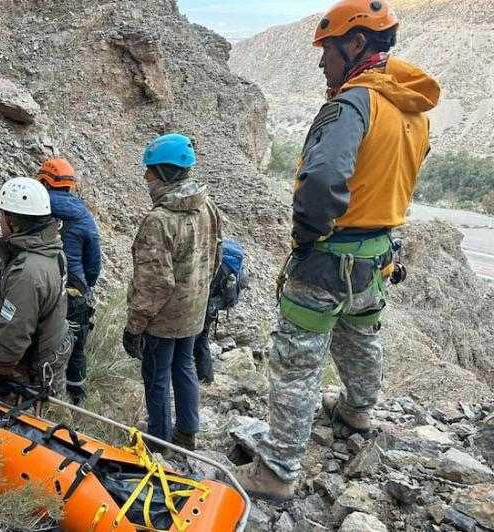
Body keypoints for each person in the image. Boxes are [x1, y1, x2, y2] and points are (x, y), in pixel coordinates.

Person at [234, 0, 440, 500]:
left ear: (355, 44)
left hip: (330, 255)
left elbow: (323, 179)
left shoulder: (352, 104)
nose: (321, 61)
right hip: (377, 254)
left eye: (327, 49)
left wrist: (307, 236)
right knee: (362, 334)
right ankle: (358, 409)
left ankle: (277, 470)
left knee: (298, 359)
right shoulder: (409, 109)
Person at [122, 134, 222, 450]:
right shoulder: (208, 207)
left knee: (156, 376)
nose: (145, 177)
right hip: (194, 312)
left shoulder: (159, 220)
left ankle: (159, 441)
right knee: (184, 365)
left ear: (164, 173)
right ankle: (187, 433)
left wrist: (134, 326)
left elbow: (154, 284)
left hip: (162, 320)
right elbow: (215, 257)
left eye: (149, 171)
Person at [0, 177, 72, 398]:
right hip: (54, 344)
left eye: (2, 215)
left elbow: (15, 333)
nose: (0, 220)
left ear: (13, 221)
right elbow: (11, 261)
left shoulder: (27, 274)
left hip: (34, 364)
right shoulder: (50, 248)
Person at [35, 158, 101, 404]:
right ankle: (77, 400)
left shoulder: (36, 207)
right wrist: (86, 285)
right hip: (75, 291)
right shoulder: (83, 216)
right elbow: (94, 262)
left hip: (44, 288)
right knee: (77, 347)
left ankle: (45, 396)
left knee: (42, 343)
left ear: (44, 180)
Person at [192, 240, 248, 384]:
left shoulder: (216, 263)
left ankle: (193, 377)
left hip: (206, 308)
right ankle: (205, 378)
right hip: (213, 308)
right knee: (201, 339)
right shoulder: (225, 265)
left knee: (192, 340)